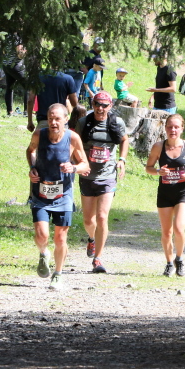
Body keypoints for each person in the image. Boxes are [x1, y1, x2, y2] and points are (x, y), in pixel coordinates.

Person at [26, 104, 90, 290]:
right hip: (41, 193)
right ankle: (43, 253)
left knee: (60, 238)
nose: (53, 122)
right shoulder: (39, 135)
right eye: (50, 118)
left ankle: (58, 274)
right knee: (42, 235)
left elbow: (85, 165)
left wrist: (73, 168)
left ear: (66, 119)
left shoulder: (73, 138)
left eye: (57, 119)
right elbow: (30, 151)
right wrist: (32, 168)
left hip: (63, 195)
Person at [145, 114, 185, 277]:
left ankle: (179, 259)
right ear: (165, 128)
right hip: (164, 194)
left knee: (179, 229)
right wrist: (158, 171)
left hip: (182, 193)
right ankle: (169, 263)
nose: (173, 130)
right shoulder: (158, 147)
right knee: (166, 232)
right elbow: (148, 167)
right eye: (170, 127)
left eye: (176, 127)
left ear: (182, 129)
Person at [76, 92, 129, 273]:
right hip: (87, 176)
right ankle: (92, 238)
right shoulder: (84, 122)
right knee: (88, 220)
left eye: (104, 105)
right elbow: (75, 143)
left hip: (107, 176)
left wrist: (122, 160)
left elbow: (124, 140)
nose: (100, 108)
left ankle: (97, 259)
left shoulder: (116, 122)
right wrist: (79, 163)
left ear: (110, 106)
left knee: (102, 217)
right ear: (92, 104)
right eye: (97, 104)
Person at [27, 66, 79, 132]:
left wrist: (30, 121)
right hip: (60, 122)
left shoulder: (38, 77)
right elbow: (74, 103)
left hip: (44, 121)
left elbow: (30, 100)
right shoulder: (68, 79)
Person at [3, 38, 28, 116]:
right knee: (28, 87)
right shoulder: (18, 38)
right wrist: (26, 51)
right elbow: (20, 55)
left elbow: (4, 51)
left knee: (10, 88)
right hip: (16, 66)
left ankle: (10, 111)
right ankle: (27, 111)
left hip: (6, 65)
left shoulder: (7, 36)